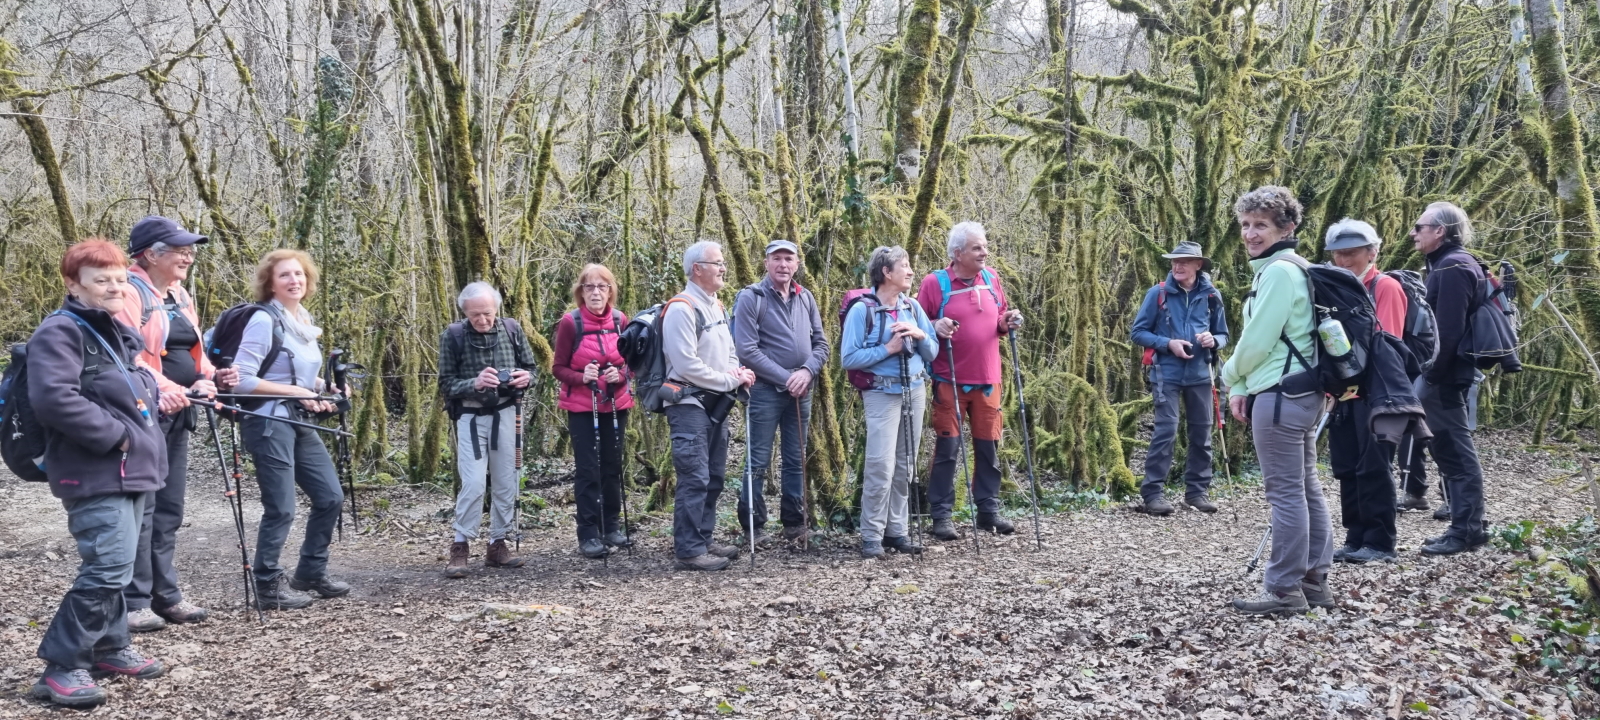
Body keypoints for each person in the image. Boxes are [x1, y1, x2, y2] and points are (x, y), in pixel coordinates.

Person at [28, 239, 170, 708]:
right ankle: (61, 666)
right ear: (74, 284)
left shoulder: (110, 332)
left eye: (118, 278)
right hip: (94, 470)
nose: (113, 287)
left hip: (130, 470)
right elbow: (54, 398)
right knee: (107, 565)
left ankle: (109, 648)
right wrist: (119, 437)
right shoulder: (60, 331)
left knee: (119, 566)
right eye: (100, 279)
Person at [115, 216, 234, 633]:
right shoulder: (128, 293)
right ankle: (134, 600)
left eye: (190, 250)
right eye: (180, 250)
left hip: (180, 411)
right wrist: (170, 388)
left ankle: (165, 594)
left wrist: (211, 376)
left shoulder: (179, 295)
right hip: (143, 414)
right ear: (151, 254)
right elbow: (126, 357)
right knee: (143, 508)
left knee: (169, 508)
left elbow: (193, 352)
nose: (189, 257)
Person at [1220, 186, 1332, 616]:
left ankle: (1284, 589)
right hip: (1302, 392)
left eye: (1261, 225)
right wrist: (1242, 387)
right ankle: (1314, 582)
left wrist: (1229, 376)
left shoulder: (1279, 273)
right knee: (1305, 487)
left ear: (1287, 228)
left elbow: (1257, 341)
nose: (1250, 234)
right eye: (1246, 224)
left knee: (1286, 493)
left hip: (1281, 395)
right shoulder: (1295, 268)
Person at [233, 249, 351, 608]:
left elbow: (298, 373)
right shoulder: (263, 320)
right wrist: (298, 392)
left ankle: (310, 573)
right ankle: (267, 585)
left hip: (297, 418)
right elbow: (242, 379)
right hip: (268, 422)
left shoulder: (302, 319)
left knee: (330, 497)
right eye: (284, 275)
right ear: (270, 283)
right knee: (281, 507)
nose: (294, 280)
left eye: (299, 274)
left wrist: (325, 387)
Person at [919, 221, 1024, 540]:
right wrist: (935, 325)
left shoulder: (991, 278)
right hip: (948, 379)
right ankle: (941, 515)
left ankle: (988, 512)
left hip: (989, 379)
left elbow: (999, 318)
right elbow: (916, 322)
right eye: (977, 247)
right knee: (948, 449)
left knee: (988, 447)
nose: (984, 252)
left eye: (985, 246)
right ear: (957, 253)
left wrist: (1008, 321)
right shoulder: (935, 283)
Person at [663, 241, 756, 571]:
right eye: (717, 263)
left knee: (714, 475)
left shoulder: (716, 305)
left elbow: (730, 350)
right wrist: (730, 380)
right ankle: (689, 550)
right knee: (694, 476)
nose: (723, 268)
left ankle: (703, 538)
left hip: (716, 404)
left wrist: (735, 373)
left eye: (723, 262)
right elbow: (686, 365)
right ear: (697, 269)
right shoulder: (681, 309)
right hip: (688, 404)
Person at [841, 246, 937, 558]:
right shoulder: (862, 310)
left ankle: (897, 531)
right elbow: (848, 358)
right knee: (880, 465)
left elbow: (933, 352)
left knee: (905, 465)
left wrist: (920, 334)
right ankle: (871, 535)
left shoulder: (912, 307)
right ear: (886, 272)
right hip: (882, 394)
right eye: (904, 265)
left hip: (915, 389)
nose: (910, 271)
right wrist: (889, 348)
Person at [732, 240, 829, 546]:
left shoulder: (805, 297)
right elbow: (746, 350)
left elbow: (821, 344)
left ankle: (795, 524)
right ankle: (753, 526)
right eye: (777, 258)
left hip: (802, 390)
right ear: (766, 263)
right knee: (758, 459)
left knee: (796, 458)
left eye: (789, 259)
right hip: (764, 391)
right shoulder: (751, 297)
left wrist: (807, 372)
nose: (783, 264)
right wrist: (788, 378)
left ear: (797, 264)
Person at [438, 281, 537, 575]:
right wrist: (475, 383)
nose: (482, 320)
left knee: (507, 480)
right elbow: (446, 384)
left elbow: (532, 369)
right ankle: (460, 546)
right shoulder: (453, 336)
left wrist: (526, 378)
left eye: (487, 313)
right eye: (475, 315)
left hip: (507, 413)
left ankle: (498, 543)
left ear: (496, 309)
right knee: (473, 483)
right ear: (465, 313)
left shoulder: (512, 330)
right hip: (470, 416)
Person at [1409, 201, 1490, 556]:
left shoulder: (1453, 267)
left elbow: (1448, 332)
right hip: (1448, 375)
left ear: (1440, 231)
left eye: (1419, 227)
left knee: (1455, 451)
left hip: (1446, 377)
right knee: (1449, 449)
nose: (1413, 233)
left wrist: (1431, 376)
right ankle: (1466, 526)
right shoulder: (1452, 263)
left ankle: (1467, 530)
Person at [1323, 218, 1406, 564]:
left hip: (1377, 393)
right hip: (1343, 393)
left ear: (1373, 253)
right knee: (1346, 466)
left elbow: (1388, 344)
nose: (1343, 260)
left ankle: (1380, 542)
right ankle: (1355, 537)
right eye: (1337, 254)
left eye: (1351, 253)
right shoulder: (1334, 290)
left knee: (1374, 466)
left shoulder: (1386, 287)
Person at [1129, 241, 1229, 515]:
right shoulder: (1158, 293)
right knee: (1166, 431)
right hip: (1166, 374)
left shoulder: (1212, 295)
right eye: (1174, 261)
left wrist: (1213, 340)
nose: (1177, 266)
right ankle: (1153, 495)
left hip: (1202, 374)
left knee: (1202, 433)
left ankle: (1196, 493)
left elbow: (1223, 334)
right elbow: (1138, 332)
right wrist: (1168, 343)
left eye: (1184, 261)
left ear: (1198, 265)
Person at [550, 266, 633, 560]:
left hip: (616, 404)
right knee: (588, 469)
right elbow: (558, 368)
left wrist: (619, 375)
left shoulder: (621, 321)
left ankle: (611, 527)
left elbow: (632, 363)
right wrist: (582, 377)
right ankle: (587, 533)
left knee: (612, 466)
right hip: (583, 407)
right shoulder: (570, 323)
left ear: (610, 291)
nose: (596, 292)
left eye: (602, 286)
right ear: (581, 291)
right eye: (589, 287)